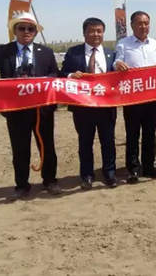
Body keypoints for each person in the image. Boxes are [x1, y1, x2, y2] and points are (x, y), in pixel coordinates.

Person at [0, 12, 60, 199]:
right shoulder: (4, 52)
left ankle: (50, 181)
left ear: (35, 32)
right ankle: (22, 185)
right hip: (16, 110)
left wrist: (43, 81)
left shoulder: (46, 52)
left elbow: (55, 74)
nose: (26, 32)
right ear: (15, 31)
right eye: (22, 28)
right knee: (20, 148)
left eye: (31, 29)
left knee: (47, 146)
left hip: (42, 110)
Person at [60, 17, 117, 189]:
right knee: (85, 142)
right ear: (84, 33)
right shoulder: (73, 53)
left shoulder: (111, 53)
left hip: (106, 106)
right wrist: (71, 75)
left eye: (99, 31)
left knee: (108, 141)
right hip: (83, 107)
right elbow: (62, 73)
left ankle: (110, 173)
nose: (95, 34)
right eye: (91, 31)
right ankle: (87, 175)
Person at [114, 11, 156, 183]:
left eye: (146, 23)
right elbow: (116, 62)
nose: (143, 26)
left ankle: (149, 167)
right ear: (132, 25)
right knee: (132, 134)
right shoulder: (123, 44)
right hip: (132, 98)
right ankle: (133, 169)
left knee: (150, 133)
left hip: (152, 97)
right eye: (139, 23)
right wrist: (118, 64)